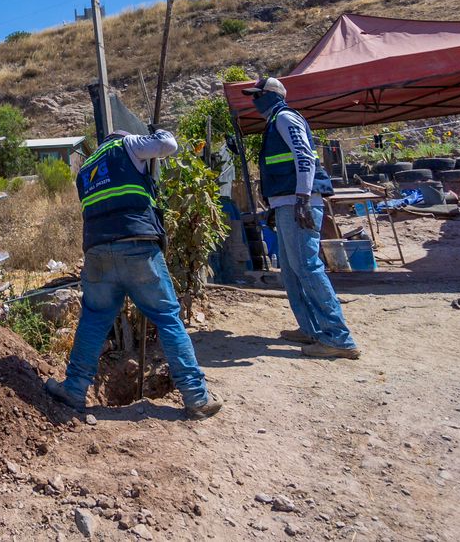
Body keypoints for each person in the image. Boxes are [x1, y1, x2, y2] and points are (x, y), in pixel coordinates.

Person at [45, 127, 222, 419]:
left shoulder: (85, 168)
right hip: (137, 247)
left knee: (93, 319)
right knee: (166, 317)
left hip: (97, 252)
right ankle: (196, 397)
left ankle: (74, 389)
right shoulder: (127, 145)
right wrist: (158, 132)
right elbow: (168, 144)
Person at [245, 75, 360, 360]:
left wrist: (302, 197)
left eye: (257, 95)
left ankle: (338, 337)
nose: (254, 101)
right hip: (287, 203)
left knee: (307, 267)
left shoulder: (285, 118)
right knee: (291, 270)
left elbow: (304, 157)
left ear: (272, 94)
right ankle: (312, 328)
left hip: (299, 202)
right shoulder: (275, 121)